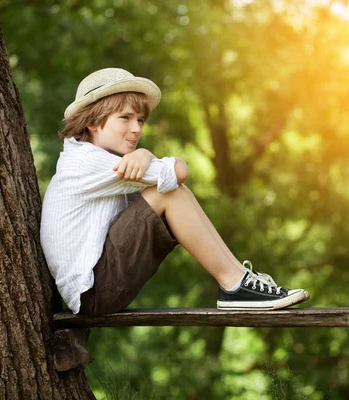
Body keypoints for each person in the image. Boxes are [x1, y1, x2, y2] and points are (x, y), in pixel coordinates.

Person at [40, 68, 309, 316]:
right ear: (93, 122)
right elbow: (178, 172)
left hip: (95, 287)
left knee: (166, 189)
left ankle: (238, 280)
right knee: (169, 192)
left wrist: (145, 155)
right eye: (125, 118)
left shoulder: (88, 157)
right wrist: (146, 154)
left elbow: (172, 173)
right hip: (93, 292)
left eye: (140, 119)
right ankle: (235, 284)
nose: (136, 129)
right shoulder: (89, 162)